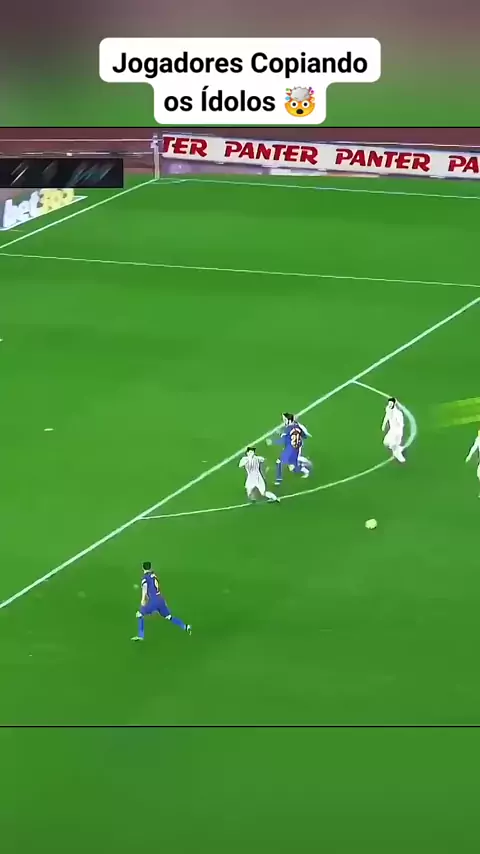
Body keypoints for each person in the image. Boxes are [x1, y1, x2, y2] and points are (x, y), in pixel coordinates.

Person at [131, 561, 191, 641]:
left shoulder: (145, 578)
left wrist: (143, 601)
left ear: (143, 568)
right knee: (169, 617)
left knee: (139, 615)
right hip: (160, 599)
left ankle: (141, 636)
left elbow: (145, 589)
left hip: (153, 601)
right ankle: (185, 626)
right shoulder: (154, 575)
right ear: (150, 567)